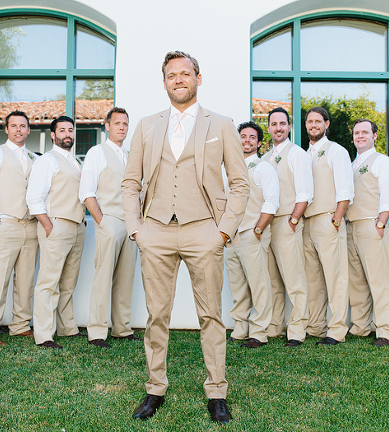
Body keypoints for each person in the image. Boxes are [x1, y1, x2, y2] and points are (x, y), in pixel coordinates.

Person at [121, 51, 248, 423]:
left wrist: (223, 230)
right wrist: (136, 228)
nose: (179, 79)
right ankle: (154, 388)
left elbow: (240, 183)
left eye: (185, 73)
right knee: (156, 315)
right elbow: (130, 182)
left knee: (210, 315)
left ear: (198, 78)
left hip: (203, 230)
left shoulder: (221, 124)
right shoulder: (146, 125)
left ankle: (217, 391)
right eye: (171, 75)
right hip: (155, 230)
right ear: (164, 82)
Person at [0, 111, 39, 346]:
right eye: (14, 126)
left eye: (23, 126)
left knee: (25, 278)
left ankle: (20, 325)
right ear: (7, 129)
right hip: (6, 222)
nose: (19, 130)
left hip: (30, 224)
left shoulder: (34, 157)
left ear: (29, 130)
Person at [25, 115, 86, 350]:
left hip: (77, 225)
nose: (67, 134)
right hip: (57, 224)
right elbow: (34, 198)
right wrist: (48, 225)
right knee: (48, 282)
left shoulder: (76, 162)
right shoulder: (47, 161)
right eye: (62, 130)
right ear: (53, 135)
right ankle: (43, 334)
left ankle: (67, 327)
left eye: (70, 130)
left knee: (68, 282)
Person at [81, 107, 139, 348]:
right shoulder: (97, 152)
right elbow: (86, 192)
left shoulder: (129, 155)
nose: (122, 127)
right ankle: (96, 332)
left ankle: (122, 328)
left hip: (131, 222)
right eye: (117, 123)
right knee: (103, 277)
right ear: (107, 126)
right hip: (110, 220)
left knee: (126, 278)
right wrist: (102, 222)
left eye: (125, 123)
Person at [343, 120, 389, 346]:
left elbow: (388, 193)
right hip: (351, 226)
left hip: (371, 224)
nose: (360, 136)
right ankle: (361, 326)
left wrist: (381, 223)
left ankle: (385, 330)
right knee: (357, 281)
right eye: (357, 133)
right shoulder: (353, 163)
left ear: (375, 135)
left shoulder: (382, 161)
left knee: (379, 279)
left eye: (365, 132)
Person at [301, 107, 353, 345]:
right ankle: (316, 326)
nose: (313, 125)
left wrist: (336, 219)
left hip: (327, 219)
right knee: (313, 279)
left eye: (318, 121)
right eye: (310, 121)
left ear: (327, 124)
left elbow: (345, 190)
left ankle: (337, 329)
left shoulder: (336, 151)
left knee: (336, 277)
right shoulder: (304, 154)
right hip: (307, 222)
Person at [261, 107, 312, 345]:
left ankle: (297, 331)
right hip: (267, 225)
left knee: (294, 279)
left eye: (282, 123)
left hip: (286, 222)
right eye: (274, 124)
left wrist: (293, 221)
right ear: (269, 128)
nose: (278, 128)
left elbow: (304, 193)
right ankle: (274, 326)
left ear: (289, 127)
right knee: (272, 280)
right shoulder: (264, 158)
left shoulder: (297, 153)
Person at [226, 122, 278, 348]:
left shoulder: (263, 168)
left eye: (252, 137)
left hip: (251, 233)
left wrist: (258, 229)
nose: (246, 140)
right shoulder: (227, 168)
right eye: (243, 136)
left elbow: (272, 201)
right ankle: (240, 328)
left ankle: (259, 332)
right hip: (229, 237)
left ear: (258, 143)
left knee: (259, 285)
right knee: (237, 285)